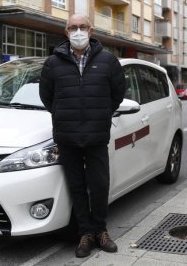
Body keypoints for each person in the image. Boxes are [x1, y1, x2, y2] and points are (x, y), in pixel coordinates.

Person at [39, 13, 126, 258]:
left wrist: (101, 114)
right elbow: (47, 97)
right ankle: (85, 234)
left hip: (97, 136)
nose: (78, 31)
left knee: (99, 186)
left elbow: (117, 93)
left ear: (91, 30)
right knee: (76, 187)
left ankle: (101, 230)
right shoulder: (53, 63)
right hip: (67, 137)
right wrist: (62, 113)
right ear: (66, 32)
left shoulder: (108, 61)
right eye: (73, 27)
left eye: (82, 27)